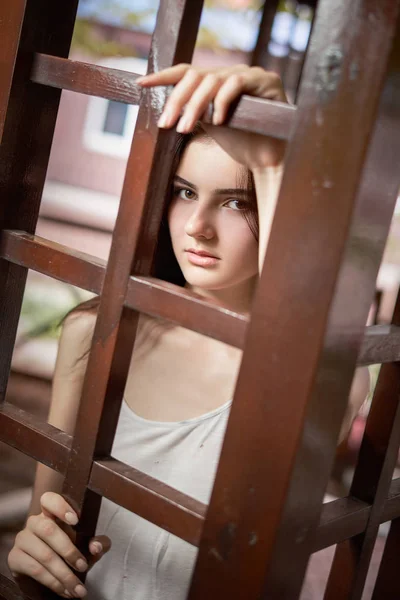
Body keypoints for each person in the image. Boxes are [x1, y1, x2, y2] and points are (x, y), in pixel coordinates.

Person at [7, 64, 370, 600]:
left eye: (234, 201)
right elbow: (52, 526)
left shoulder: (317, 381)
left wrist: (275, 160)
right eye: (183, 192)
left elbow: (300, 339)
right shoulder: (94, 333)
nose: (197, 224)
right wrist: (33, 550)